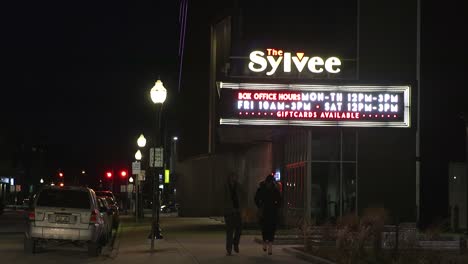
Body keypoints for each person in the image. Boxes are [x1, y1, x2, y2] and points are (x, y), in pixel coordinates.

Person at [255, 174, 281, 255]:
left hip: (273, 212)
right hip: (264, 212)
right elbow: (256, 198)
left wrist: (276, 206)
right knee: (265, 228)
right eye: (268, 182)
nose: (269, 184)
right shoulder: (261, 189)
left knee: (272, 229)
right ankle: (265, 242)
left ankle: (270, 246)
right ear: (266, 182)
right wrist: (259, 206)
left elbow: (280, 200)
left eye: (270, 182)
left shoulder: (275, 190)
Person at [223, 172, 242, 256]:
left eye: (235, 177)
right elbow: (221, 199)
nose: (233, 178)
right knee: (229, 231)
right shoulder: (225, 187)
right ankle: (229, 249)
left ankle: (235, 243)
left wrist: (242, 207)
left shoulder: (239, 186)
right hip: (229, 212)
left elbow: (243, 196)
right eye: (232, 177)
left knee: (239, 229)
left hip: (237, 211)